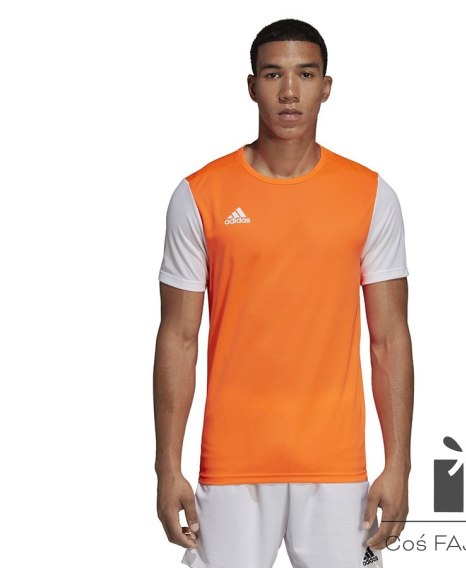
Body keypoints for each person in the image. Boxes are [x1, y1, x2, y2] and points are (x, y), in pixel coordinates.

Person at [154, 18, 414, 568]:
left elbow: (389, 338)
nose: (290, 91)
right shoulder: (200, 195)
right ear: (252, 86)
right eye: (273, 74)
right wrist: (166, 466)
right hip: (231, 463)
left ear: (326, 86)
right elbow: (178, 338)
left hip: (336, 466)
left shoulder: (370, 195)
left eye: (306, 74)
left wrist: (399, 465)